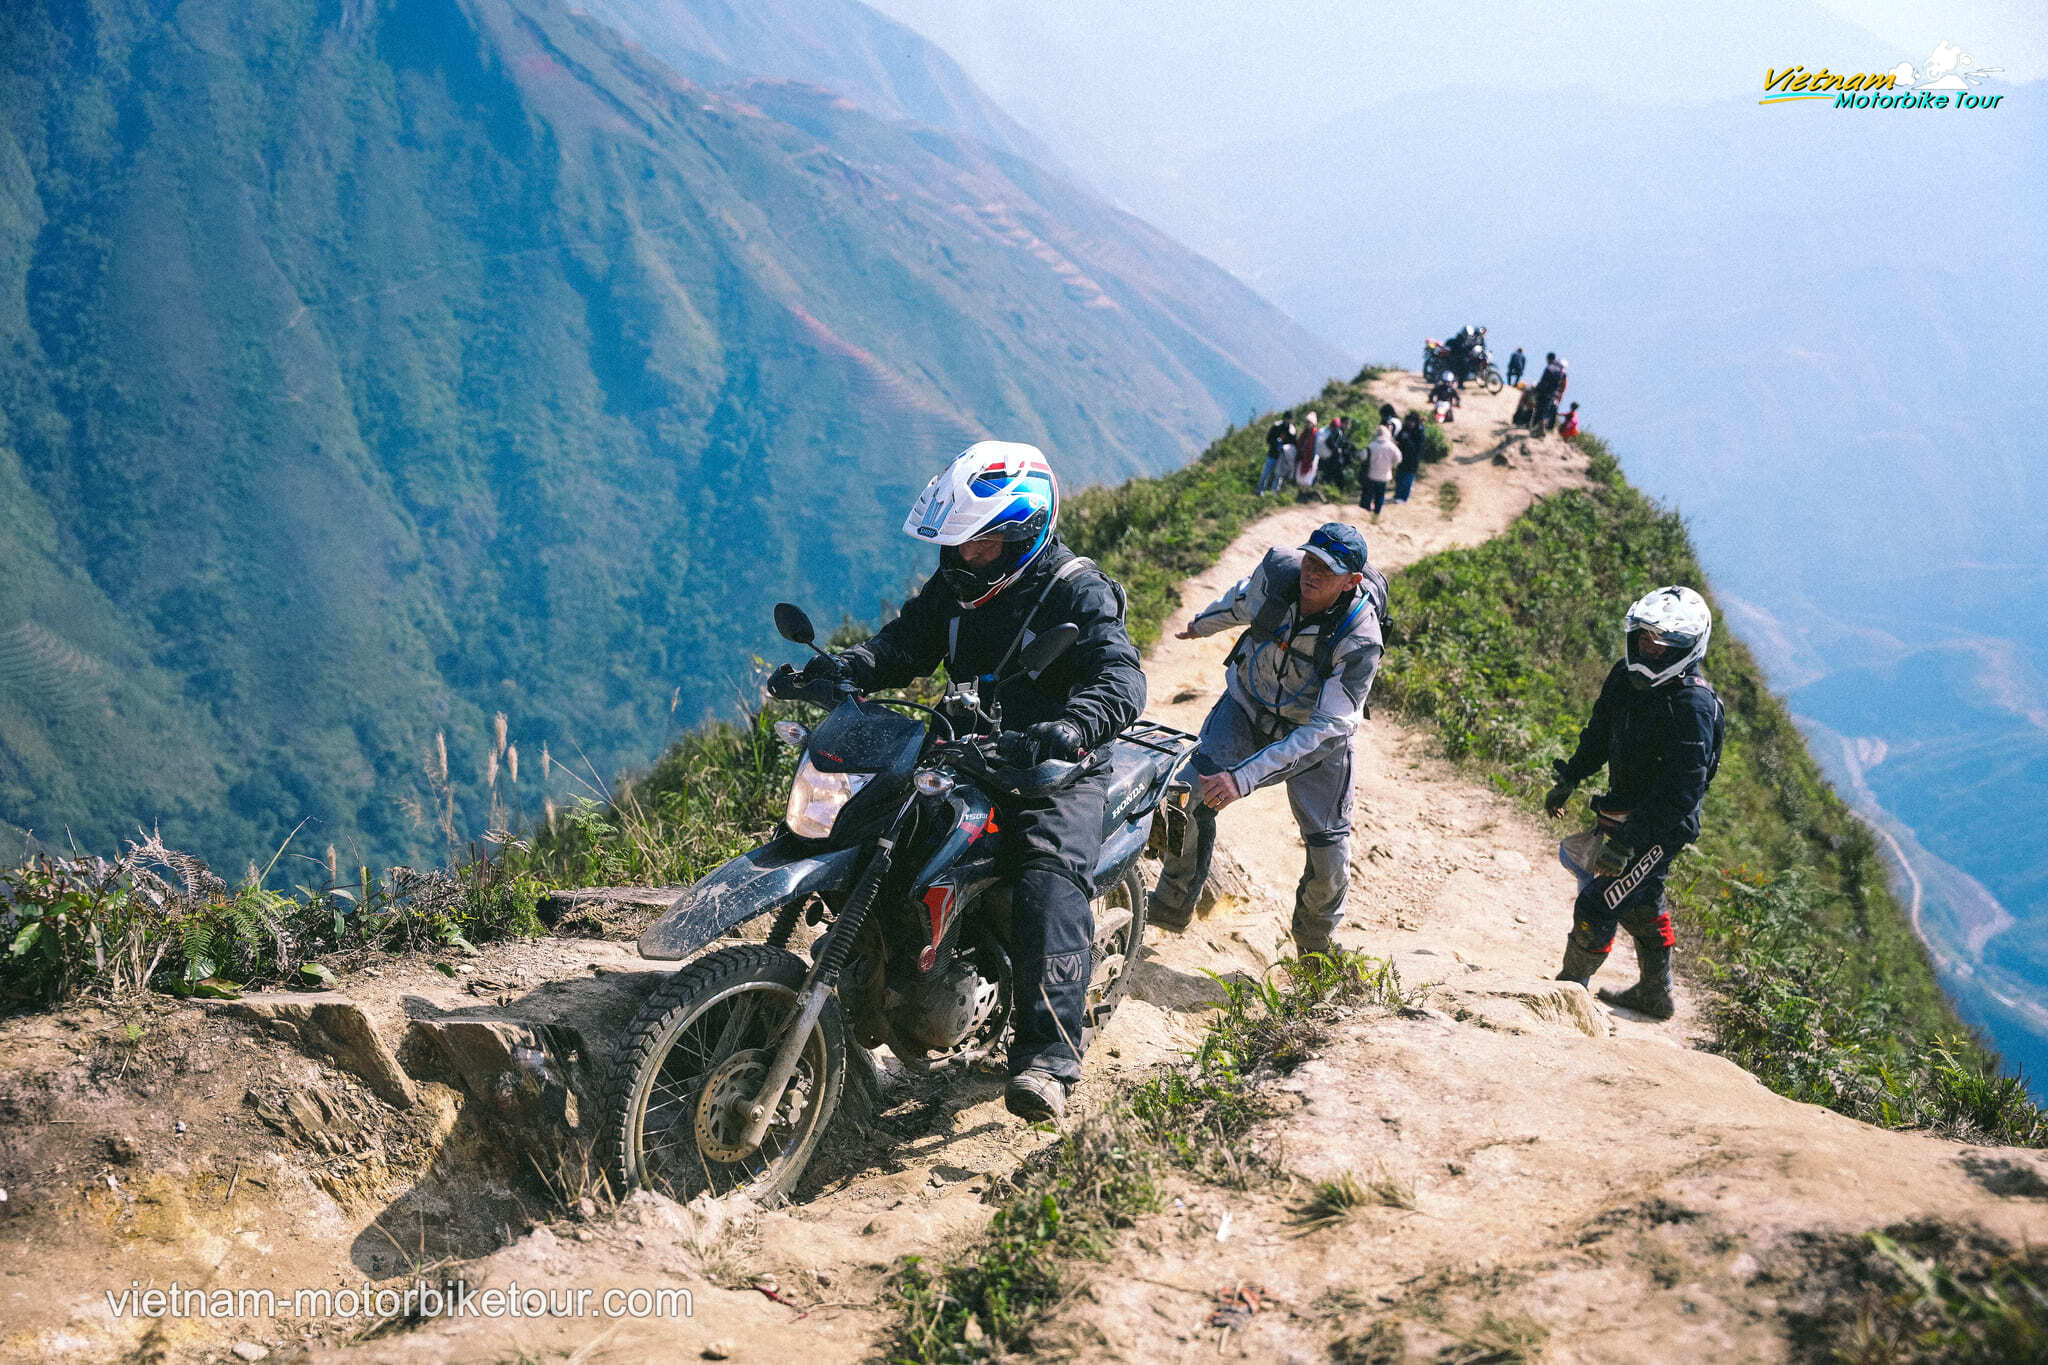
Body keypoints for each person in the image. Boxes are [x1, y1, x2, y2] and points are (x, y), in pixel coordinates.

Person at [816, 441, 1146, 1120]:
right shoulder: (958, 586)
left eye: (982, 546)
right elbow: (903, 644)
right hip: (968, 749)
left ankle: (1049, 1056)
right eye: (959, 545)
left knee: (1046, 877)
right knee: (867, 824)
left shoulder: (1077, 589)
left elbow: (1120, 678)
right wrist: (848, 666)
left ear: (1023, 533)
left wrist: (1074, 726)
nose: (965, 558)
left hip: (1054, 768)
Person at [1151, 523, 1387, 955]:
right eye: (1310, 561)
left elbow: (1326, 729)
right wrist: (1200, 626)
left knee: (1329, 856)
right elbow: (1241, 601)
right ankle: (1171, 904)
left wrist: (1243, 779)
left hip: (1314, 742)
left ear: (1352, 582)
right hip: (1245, 707)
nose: (1311, 574)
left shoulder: (1360, 638)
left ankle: (1315, 948)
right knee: (1184, 796)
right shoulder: (1280, 577)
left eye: (1327, 570)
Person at [1544, 587, 1725, 1021]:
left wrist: (1628, 842)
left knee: (1597, 902)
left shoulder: (1692, 705)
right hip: (1624, 811)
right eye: (1643, 638)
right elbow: (1600, 731)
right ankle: (1654, 994)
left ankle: (1569, 997)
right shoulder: (1624, 677)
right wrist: (1571, 774)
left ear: (1687, 649)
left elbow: (1682, 793)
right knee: (1640, 903)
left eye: (1663, 644)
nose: (1649, 649)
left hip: (1661, 826)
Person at [1360, 420, 1398, 517]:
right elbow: (1398, 458)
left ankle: (1366, 511)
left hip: (1371, 475)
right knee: (1380, 495)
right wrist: (1391, 465)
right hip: (1385, 476)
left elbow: (1362, 456)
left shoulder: (1371, 445)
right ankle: (1377, 511)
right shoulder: (1391, 447)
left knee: (1369, 494)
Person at [1393, 411, 1424, 502]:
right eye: (1408, 421)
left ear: (1416, 422)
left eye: (1412, 422)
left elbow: (1417, 448)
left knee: (1407, 479)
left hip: (1413, 459)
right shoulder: (1404, 429)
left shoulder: (1420, 432)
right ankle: (1397, 495)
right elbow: (1398, 439)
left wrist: (1407, 440)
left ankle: (1403, 497)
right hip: (1402, 457)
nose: (1409, 423)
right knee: (1399, 477)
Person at [1260, 416, 1294, 495]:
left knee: (1278, 476)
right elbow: (1268, 439)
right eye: (1287, 419)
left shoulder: (1291, 430)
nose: (1287, 421)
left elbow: (1292, 443)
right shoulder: (1276, 426)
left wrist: (1285, 447)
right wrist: (1276, 443)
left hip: (1282, 457)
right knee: (1266, 473)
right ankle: (1260, 490)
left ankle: (1273, 493)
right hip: (1272, 454)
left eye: (1289, 419)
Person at [1295, 411, 1321, 487]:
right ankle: (1300, 488)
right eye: (1307, 422)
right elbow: (1300, 443)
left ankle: (1306, 489)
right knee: (1300, 475)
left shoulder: (1315, 433)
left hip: (1310, 457)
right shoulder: (1305, 432)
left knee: (1308, 475)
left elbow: (1315, 447)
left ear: (1313, 424)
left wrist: (1312, 459)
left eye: (1309, 423)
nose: (1307, 424)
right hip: (1303, 456)